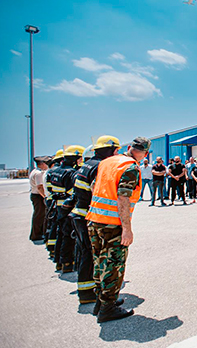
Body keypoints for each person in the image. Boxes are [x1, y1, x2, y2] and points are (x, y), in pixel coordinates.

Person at [86, 137, 150, 323]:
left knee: (99, 261)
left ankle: (100, 301)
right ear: (145, 153)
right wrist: (127, 229)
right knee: (114, 264)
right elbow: (123, 198)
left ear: (129, 147)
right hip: (112, 224)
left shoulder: (107, 162)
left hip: (94, 219)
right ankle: (108, 308)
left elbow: (93, 186)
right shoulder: (130, 167)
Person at [67, 136, 120, 306]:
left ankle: (88, 291)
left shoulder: (87, 165)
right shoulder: (100, 167)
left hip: (79, 212)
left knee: (85, 252)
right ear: (111, 150)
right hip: (88, 215)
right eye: (116, 150)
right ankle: (89, 293)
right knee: (91, 254)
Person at [49, 145, 85, 273]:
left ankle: (58, 261)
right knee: (69, 236)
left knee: (60, 233)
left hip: (58, 206)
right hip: (68, 207)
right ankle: (67, 262)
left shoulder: (56, 171)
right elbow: (72, 193)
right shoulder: (70, 173)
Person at [29, 156, 50, 241]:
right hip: (38, 196)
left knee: (39, 215)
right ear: (41, 164)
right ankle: (36, 235)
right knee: (39, 216)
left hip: (35, 195)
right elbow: (40, 187)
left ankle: (38, 233)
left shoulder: (34, 171)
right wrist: (45, 197)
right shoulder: (38, 173)